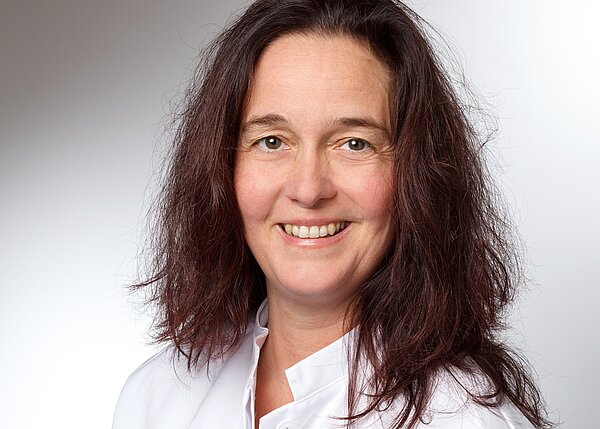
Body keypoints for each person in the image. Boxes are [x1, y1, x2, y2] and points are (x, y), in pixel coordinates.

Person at [112, 0, 554, 428]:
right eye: (272, 141)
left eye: (355, 144)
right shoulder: (157, 397)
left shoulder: (466, 420)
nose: (308, 190)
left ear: (418, 176)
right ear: (222, 167)